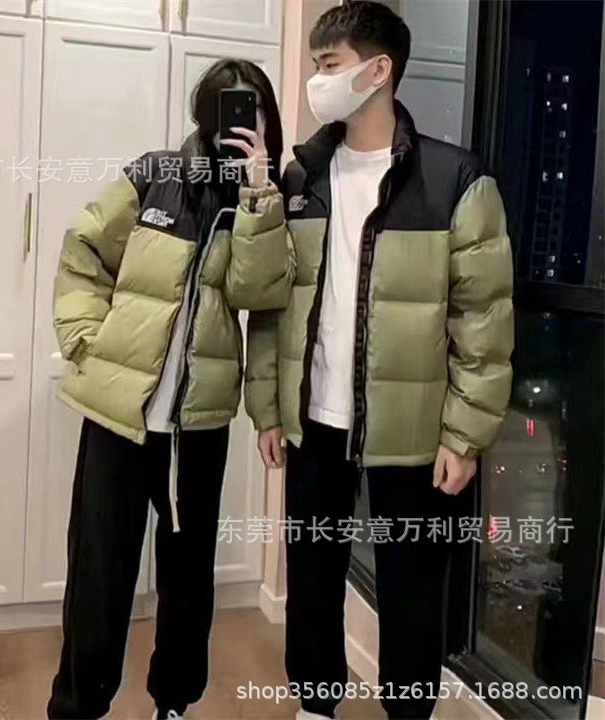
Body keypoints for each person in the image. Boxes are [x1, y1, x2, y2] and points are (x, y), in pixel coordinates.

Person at [245, 2, 514, 719]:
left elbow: (484, 322)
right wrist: (268, 408)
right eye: (316, 65)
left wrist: (465, 435)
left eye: (329, 64)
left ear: (378, 70)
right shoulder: (301, 178)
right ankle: (315, 705)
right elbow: (271, 307)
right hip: (315, 419)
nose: (317, 80)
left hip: (412, 429)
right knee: (312, 573)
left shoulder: (455, 180)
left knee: (411, 585)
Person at [47, 58, 289, 720]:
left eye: (254, 108)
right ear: (204, 114)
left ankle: (173, 703)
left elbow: (257, 291)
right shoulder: (154, 175)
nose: (241, 120)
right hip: (120, 417)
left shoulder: (263, 201)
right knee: (98, 573)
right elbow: (83, 249)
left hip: (198, 425)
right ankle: (77, 707)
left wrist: (258, 194)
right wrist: (84, 339)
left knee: (187, 578)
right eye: (229, 106)